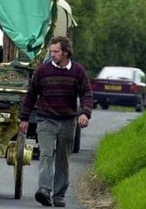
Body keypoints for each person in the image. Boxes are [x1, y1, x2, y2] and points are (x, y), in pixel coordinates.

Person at [19, 36, 93, 207]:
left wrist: (85, 113)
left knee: (63, 158)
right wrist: (24, 118)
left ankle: (59, 194)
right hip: (46, 120)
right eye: (51, 51)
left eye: (56, 52)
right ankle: (44, 189)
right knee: (46, 154)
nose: (52, 55)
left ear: (66, 52)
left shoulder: (78, 71)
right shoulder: (42, 71)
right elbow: (31, 95)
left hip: (68, 121)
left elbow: (86, 94)